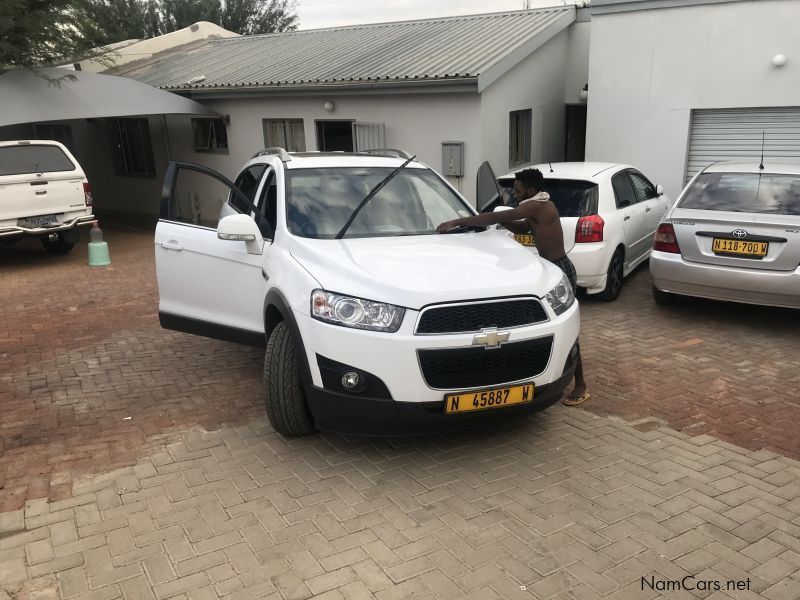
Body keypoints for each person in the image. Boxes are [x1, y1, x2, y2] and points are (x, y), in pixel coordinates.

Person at [437, 168, 590, 406]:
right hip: (551, 268)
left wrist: (459, 220)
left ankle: (580, 385)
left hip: (560, 269)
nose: (515, 195)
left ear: (529, 190)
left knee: (570, 330)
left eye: (517, 191)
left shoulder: (536, 206)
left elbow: (495, 217)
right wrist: (501, 223)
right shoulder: (538, 203)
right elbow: (521, 228)